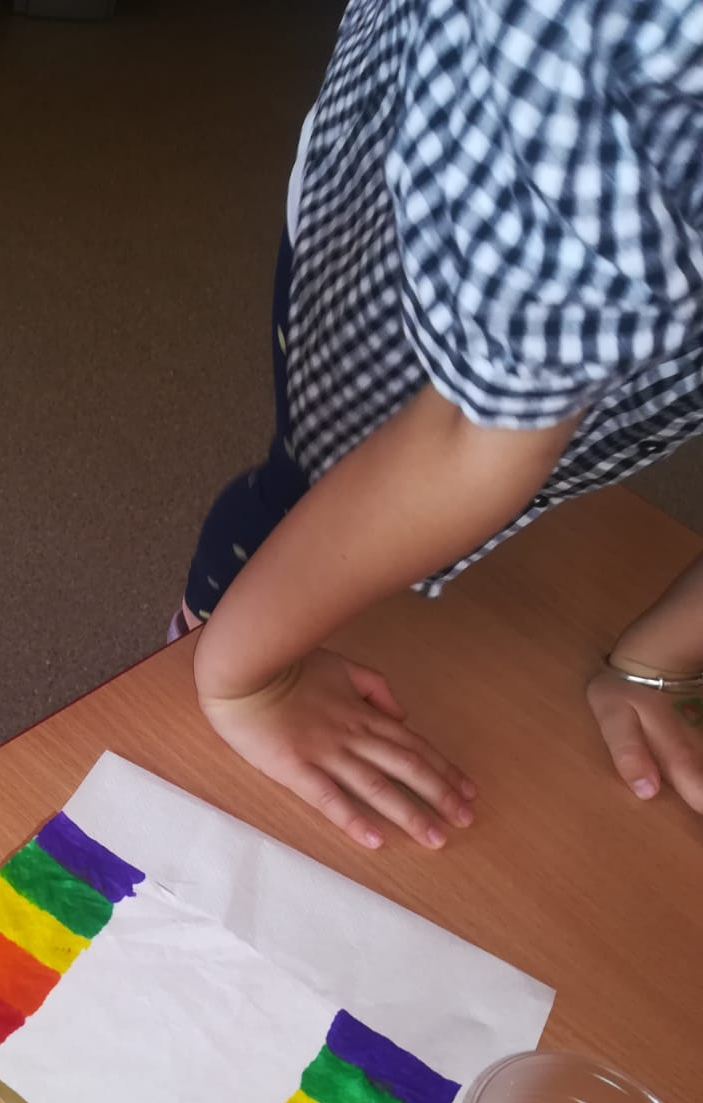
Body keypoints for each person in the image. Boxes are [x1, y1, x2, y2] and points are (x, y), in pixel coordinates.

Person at [177, 0, 703, 851]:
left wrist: (665, 656)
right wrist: (245, 679)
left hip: (542, 370)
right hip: (402, 276)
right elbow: (470, 434)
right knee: (308, 486)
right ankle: (198, 646)